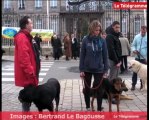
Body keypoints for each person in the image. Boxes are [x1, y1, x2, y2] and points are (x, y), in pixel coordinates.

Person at [79, 20, 109, 111]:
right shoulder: (85, 40)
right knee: (87, 89)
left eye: (99, 30)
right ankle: (88, 106)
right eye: (96, 30)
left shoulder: (102, 41)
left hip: (99, 68)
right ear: (91, 30)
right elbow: (82, 55)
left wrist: (106, 70)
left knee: (99, 89)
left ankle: (99, 108)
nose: (97, 32)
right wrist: (81, 69)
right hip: (87, 68)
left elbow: (105, 55)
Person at [14, 16, 40, 111]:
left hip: (30, 73)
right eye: (31, 23)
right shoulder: (22, 37)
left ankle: (26, 114)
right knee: (27, 96)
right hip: (28, 74)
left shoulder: (27, 36)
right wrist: (31, 72)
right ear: (26, 25)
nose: (32, 25)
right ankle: (25, 115)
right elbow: (24, 58)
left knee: (28, 96)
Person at [131, 26, 147, 91]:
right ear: (140, 30)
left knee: (143, 72)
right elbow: (133, 45)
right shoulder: (137, 37)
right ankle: (133, 85)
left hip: (144, 58)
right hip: (137, 57)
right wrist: (134, 50)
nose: (143, 33)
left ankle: (142, 85)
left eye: (144, 32)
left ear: (146, 31)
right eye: (142, 31)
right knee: (134, 72)